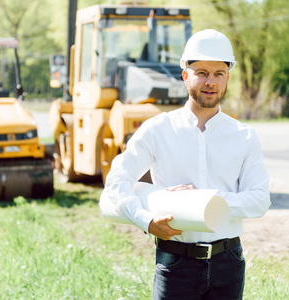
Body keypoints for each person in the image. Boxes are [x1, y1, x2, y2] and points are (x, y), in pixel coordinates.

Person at [101, 29, 270, 299]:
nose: (210, 82)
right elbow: (116, 181)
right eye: (201, 72)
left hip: (228, 263)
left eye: (219, 74)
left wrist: (202, 203)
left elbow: (259, 200)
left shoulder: (244, 136)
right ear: (185, 75)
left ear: (228, 77)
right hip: (176, 263)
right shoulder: (157, 130)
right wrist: (146, 220)